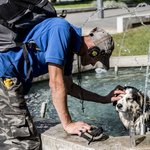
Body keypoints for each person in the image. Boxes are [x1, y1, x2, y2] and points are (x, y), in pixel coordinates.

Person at [0, 17, 126, 150]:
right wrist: (68, 124)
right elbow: (56, 83)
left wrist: (104, 99)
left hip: (9, 78)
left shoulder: (69, 50)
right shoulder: (61, 30)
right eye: (98, 60)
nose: (94, 64)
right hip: (5, 76)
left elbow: (69, 87)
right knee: (27, 142)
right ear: (93, 50)